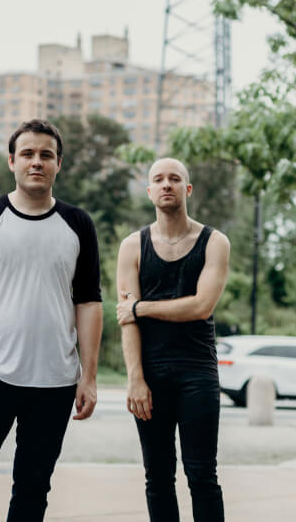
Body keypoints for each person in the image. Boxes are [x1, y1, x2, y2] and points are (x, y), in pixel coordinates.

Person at [0, 119, 103, 522]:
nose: (36, 162)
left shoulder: (78, 224)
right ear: (12, 161)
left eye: (46, 155)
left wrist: (89, 376)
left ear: (58, 164)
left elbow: (88, 303)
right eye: (27, 153)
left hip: (56, 381)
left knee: (33, 489)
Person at [115, 158, 230, 522]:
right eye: (159, 179)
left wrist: (141, 308)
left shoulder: (214, 242)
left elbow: (201, 306)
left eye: (175, 179)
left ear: (187, 189)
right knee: (158, 476)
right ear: (149, 191)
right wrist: (135, 379)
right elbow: (126, 322)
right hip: (150, 374)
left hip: (197, 372)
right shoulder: (132, 246)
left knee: (202, 475)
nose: (167, 184)